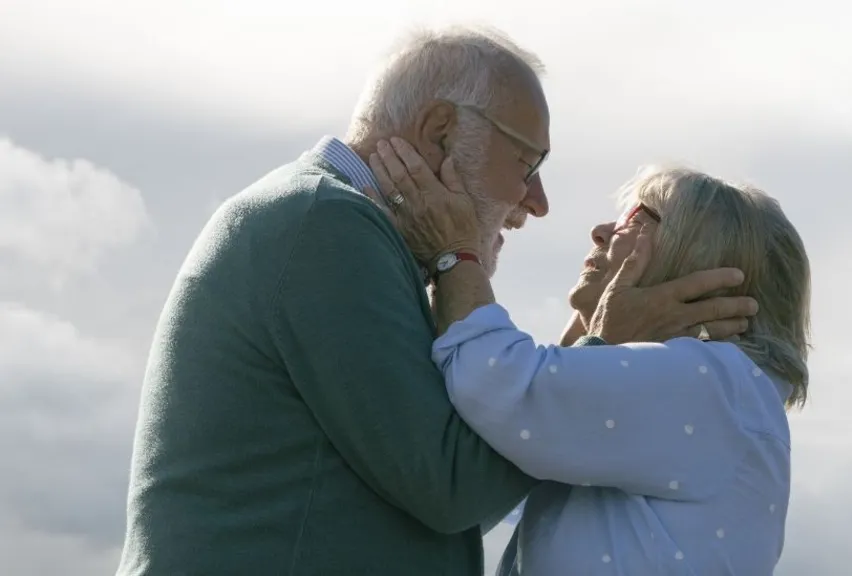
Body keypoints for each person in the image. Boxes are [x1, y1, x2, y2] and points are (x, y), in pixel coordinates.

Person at [115, 26, 759, 576]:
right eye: (527, 162)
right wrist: (602, 344)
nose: (537, 201)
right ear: (441, 132)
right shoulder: (328, 227)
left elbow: (450, 479)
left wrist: (588, 338)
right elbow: (452, 485)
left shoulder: (337, 229)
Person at [364, 139, 811, 576]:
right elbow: (497, 469)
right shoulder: (718, 401)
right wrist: (598, 330)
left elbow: (500, 382)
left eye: (639, 218)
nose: (600, 232)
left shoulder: (713, 385)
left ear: (702, 262)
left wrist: (452, 250)